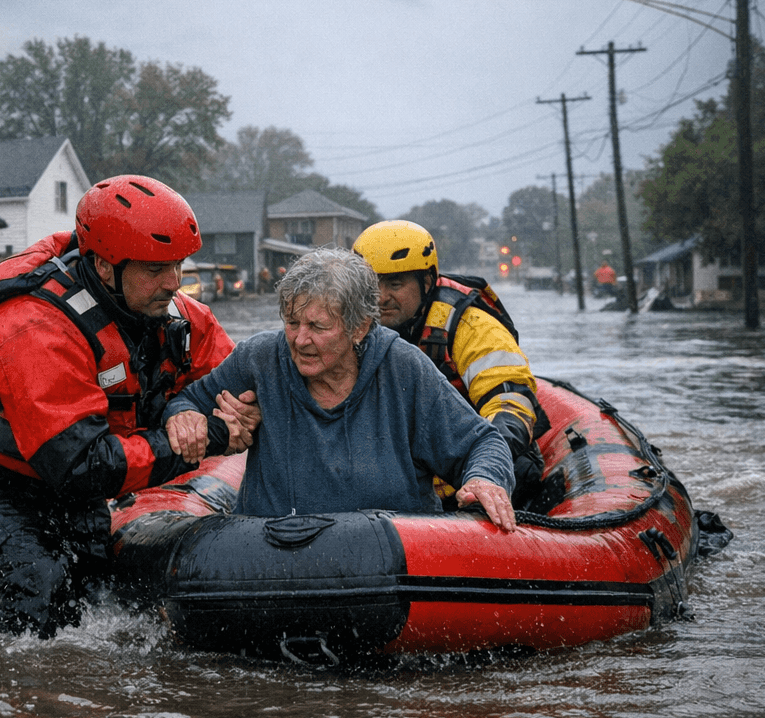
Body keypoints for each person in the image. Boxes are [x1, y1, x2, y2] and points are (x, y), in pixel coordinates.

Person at [0, 175, 261, 638]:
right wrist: (207, 436)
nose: (174, 284)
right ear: (105, 267)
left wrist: (239, 413)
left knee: (111, 591)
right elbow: (82, 465)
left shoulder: (179, 318)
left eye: (177, 265)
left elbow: (238, 389)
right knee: (40, 586)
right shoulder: (35, 330)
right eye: (155, 270)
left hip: (60, 486)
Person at [165, 247, 517, 530]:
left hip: (392, 562)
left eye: (318, 326)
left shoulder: (403, 368)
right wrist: (184, 416)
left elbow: (482, 442)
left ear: (359, 328)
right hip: (270, 558)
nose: (300, 340)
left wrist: (485, 479)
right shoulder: (261, 358)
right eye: (292, 322)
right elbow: (190, 398)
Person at [352, 220, 545, 505]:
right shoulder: (347, 324)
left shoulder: (471, 325)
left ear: (426, 282)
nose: (381, 298)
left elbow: (509, 401)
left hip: (471, 463)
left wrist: (485, 465)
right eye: (371, 285)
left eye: (395, 284)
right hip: (404, 467)